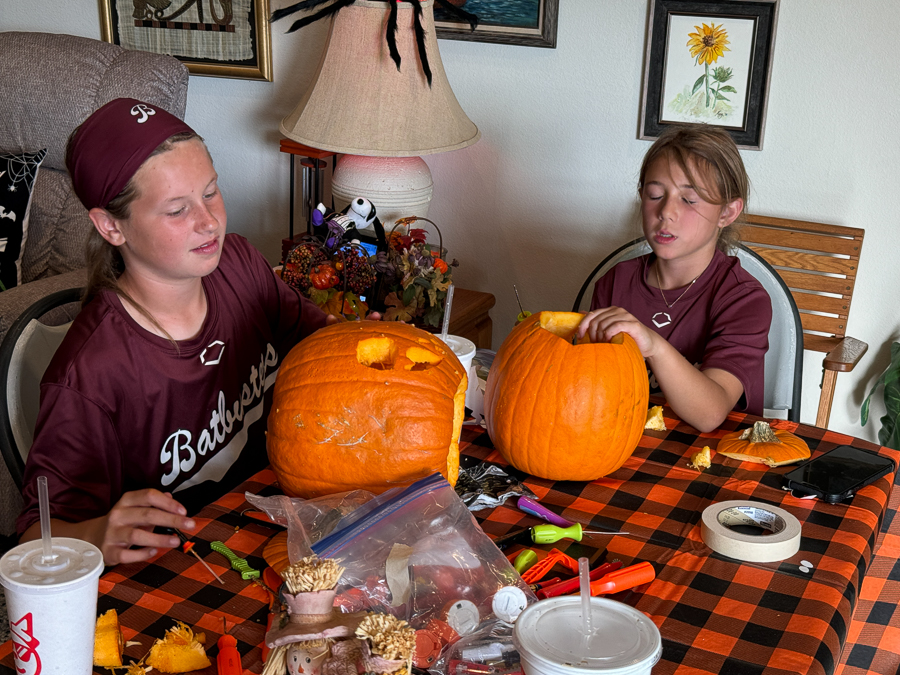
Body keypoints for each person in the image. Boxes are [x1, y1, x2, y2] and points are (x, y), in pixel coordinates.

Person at [15, 98, 339, 564]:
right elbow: (34, 538)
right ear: (110, 226)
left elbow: (318, 343)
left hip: (280, 518)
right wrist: (95, 533)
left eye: (210, 192)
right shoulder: (91, 373)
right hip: (180, 568)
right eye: (175, 210)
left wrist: (357, 347)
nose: (208, 221)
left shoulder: (240, 265)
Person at [577, 124, 772, 432]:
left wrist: (652, 344)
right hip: (622, 446)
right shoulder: (614, 283)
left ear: (728, 212)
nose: (666, 211)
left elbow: (711, 414)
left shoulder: (745, 300)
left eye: (689, 200)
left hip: (713, 461)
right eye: (655, 195)